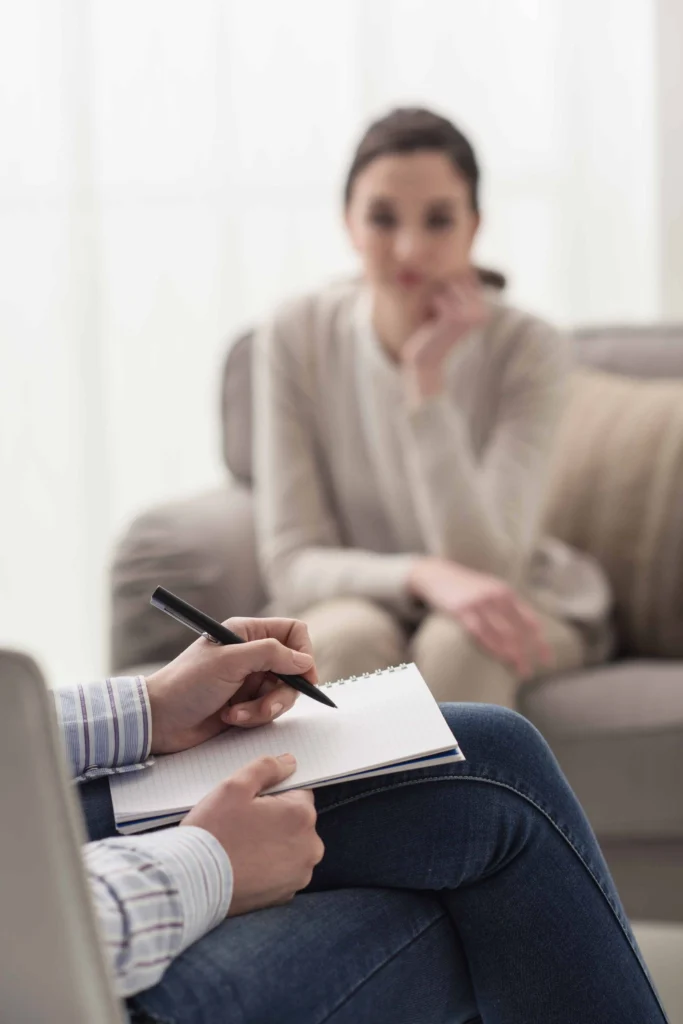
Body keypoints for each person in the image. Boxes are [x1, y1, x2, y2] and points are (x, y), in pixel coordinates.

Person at [59, 617, 666, 1023]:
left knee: (487, 753)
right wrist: (207, 862)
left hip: (33, 831)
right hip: (59, 965)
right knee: (461, 863)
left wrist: (149, 709)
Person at [253, 107, 612, 705]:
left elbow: (484, 565)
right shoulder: (295, 335)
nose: (409, 248)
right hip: (360, 598)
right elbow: (292, 562)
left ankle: (464, 806)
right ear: (348, 223)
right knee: (341, 637)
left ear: (475, 227)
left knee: (463, 641)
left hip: (514, 595)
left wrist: (427, 382)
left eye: (439, 220)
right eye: (382, 218)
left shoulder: (530, 349)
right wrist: (420, 575)